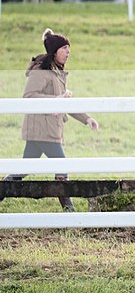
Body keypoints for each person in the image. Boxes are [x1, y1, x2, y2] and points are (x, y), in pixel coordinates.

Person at [1, 29, 99, 211]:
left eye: (69, 48)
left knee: (22, 169)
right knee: (61, 166)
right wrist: (56, 101)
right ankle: (69, 211)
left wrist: (87, 119)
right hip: (42, 130)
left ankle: (1, 191)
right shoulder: (41, 71)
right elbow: (29, 97)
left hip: (47, 130)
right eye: (65, 48)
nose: (69, 52)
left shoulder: (57, 72)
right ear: (54, 51)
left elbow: (64, 103)